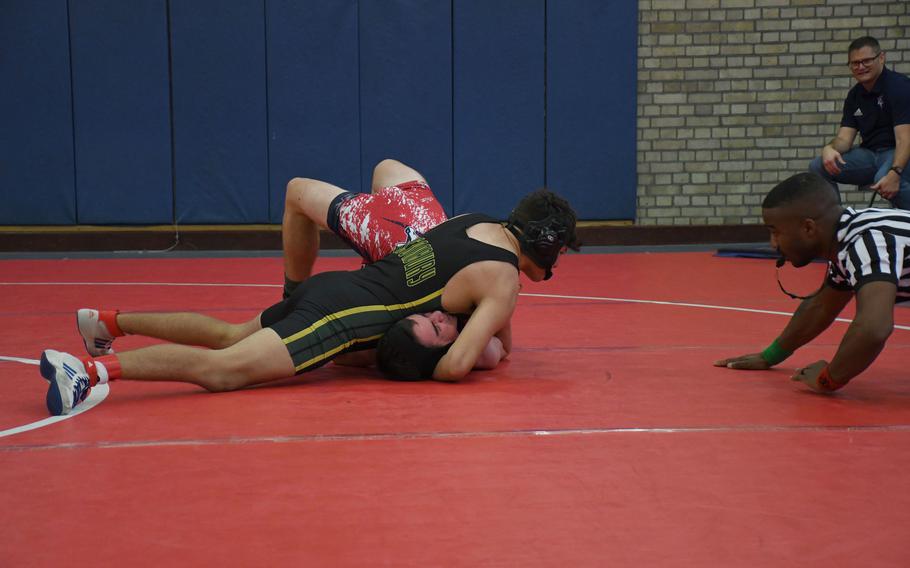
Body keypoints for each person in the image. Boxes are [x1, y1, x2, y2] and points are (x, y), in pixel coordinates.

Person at [40, 188, 579, 415]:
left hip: (332, 287)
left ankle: (108, 322)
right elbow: (457, 366)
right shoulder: (504, 282)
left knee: (230, 334)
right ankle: (88, 370)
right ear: (547, 245)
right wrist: (415, 354)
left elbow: (489, 315)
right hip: (342, 319)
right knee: (226, 370)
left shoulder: (474, 221)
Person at [714, 172, 909, 392]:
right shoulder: (847, 237)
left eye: (775, 232)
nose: (773, 244)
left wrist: (829, 378)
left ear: (808, 228)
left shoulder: (867, 242)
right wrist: (770, 355)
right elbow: (822, 306)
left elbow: (874, 328)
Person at [281, 158, 448, 298]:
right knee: (386, 167)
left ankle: (291, 299)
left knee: (296, 191)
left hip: (391, 230)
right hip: (421, 222)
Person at [808, 36, 910, 210]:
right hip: (870, 155)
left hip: (899, 152)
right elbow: (844, 140)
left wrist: (895, 173)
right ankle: (837, 224)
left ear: (881, 58)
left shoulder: (900, 87)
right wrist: (829, 148)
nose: (861, 67)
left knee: (883, 177)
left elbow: (905, 139)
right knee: (818, 165)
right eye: (855, 63)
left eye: (866, 61)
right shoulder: (854, 96)